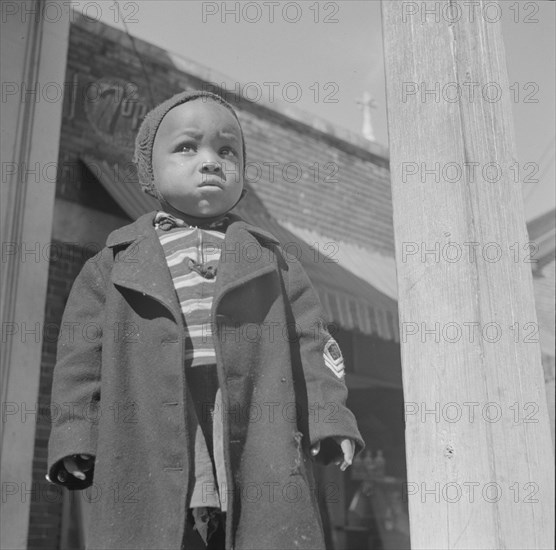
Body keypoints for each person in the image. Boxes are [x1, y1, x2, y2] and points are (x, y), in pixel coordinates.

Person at [47, 90, 364, 550]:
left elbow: (310, 345)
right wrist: (77, 431)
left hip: (254, 414)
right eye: (186, 147)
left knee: (258, 521)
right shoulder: (111, 264)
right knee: (163, 525)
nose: (211, 161)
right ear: (149, 170)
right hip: (148, 419)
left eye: (227, 150)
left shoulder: (274, 261)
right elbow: (80, 358)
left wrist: (329, 417)